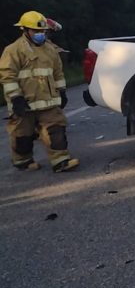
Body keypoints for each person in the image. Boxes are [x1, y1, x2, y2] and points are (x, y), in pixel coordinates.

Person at [0, 10, 79, 172]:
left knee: (56, 129)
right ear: (25, 30)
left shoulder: (50, 50)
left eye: (42, 31)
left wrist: (62, 91)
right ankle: (24, 161)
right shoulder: (13, 50)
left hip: (48, 101)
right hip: (24, 102)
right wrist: (16, 98)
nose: (40, 34)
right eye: (36, 31)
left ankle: (61, 161)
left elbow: (57, 72)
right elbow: (8, 76)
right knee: (23, 135)